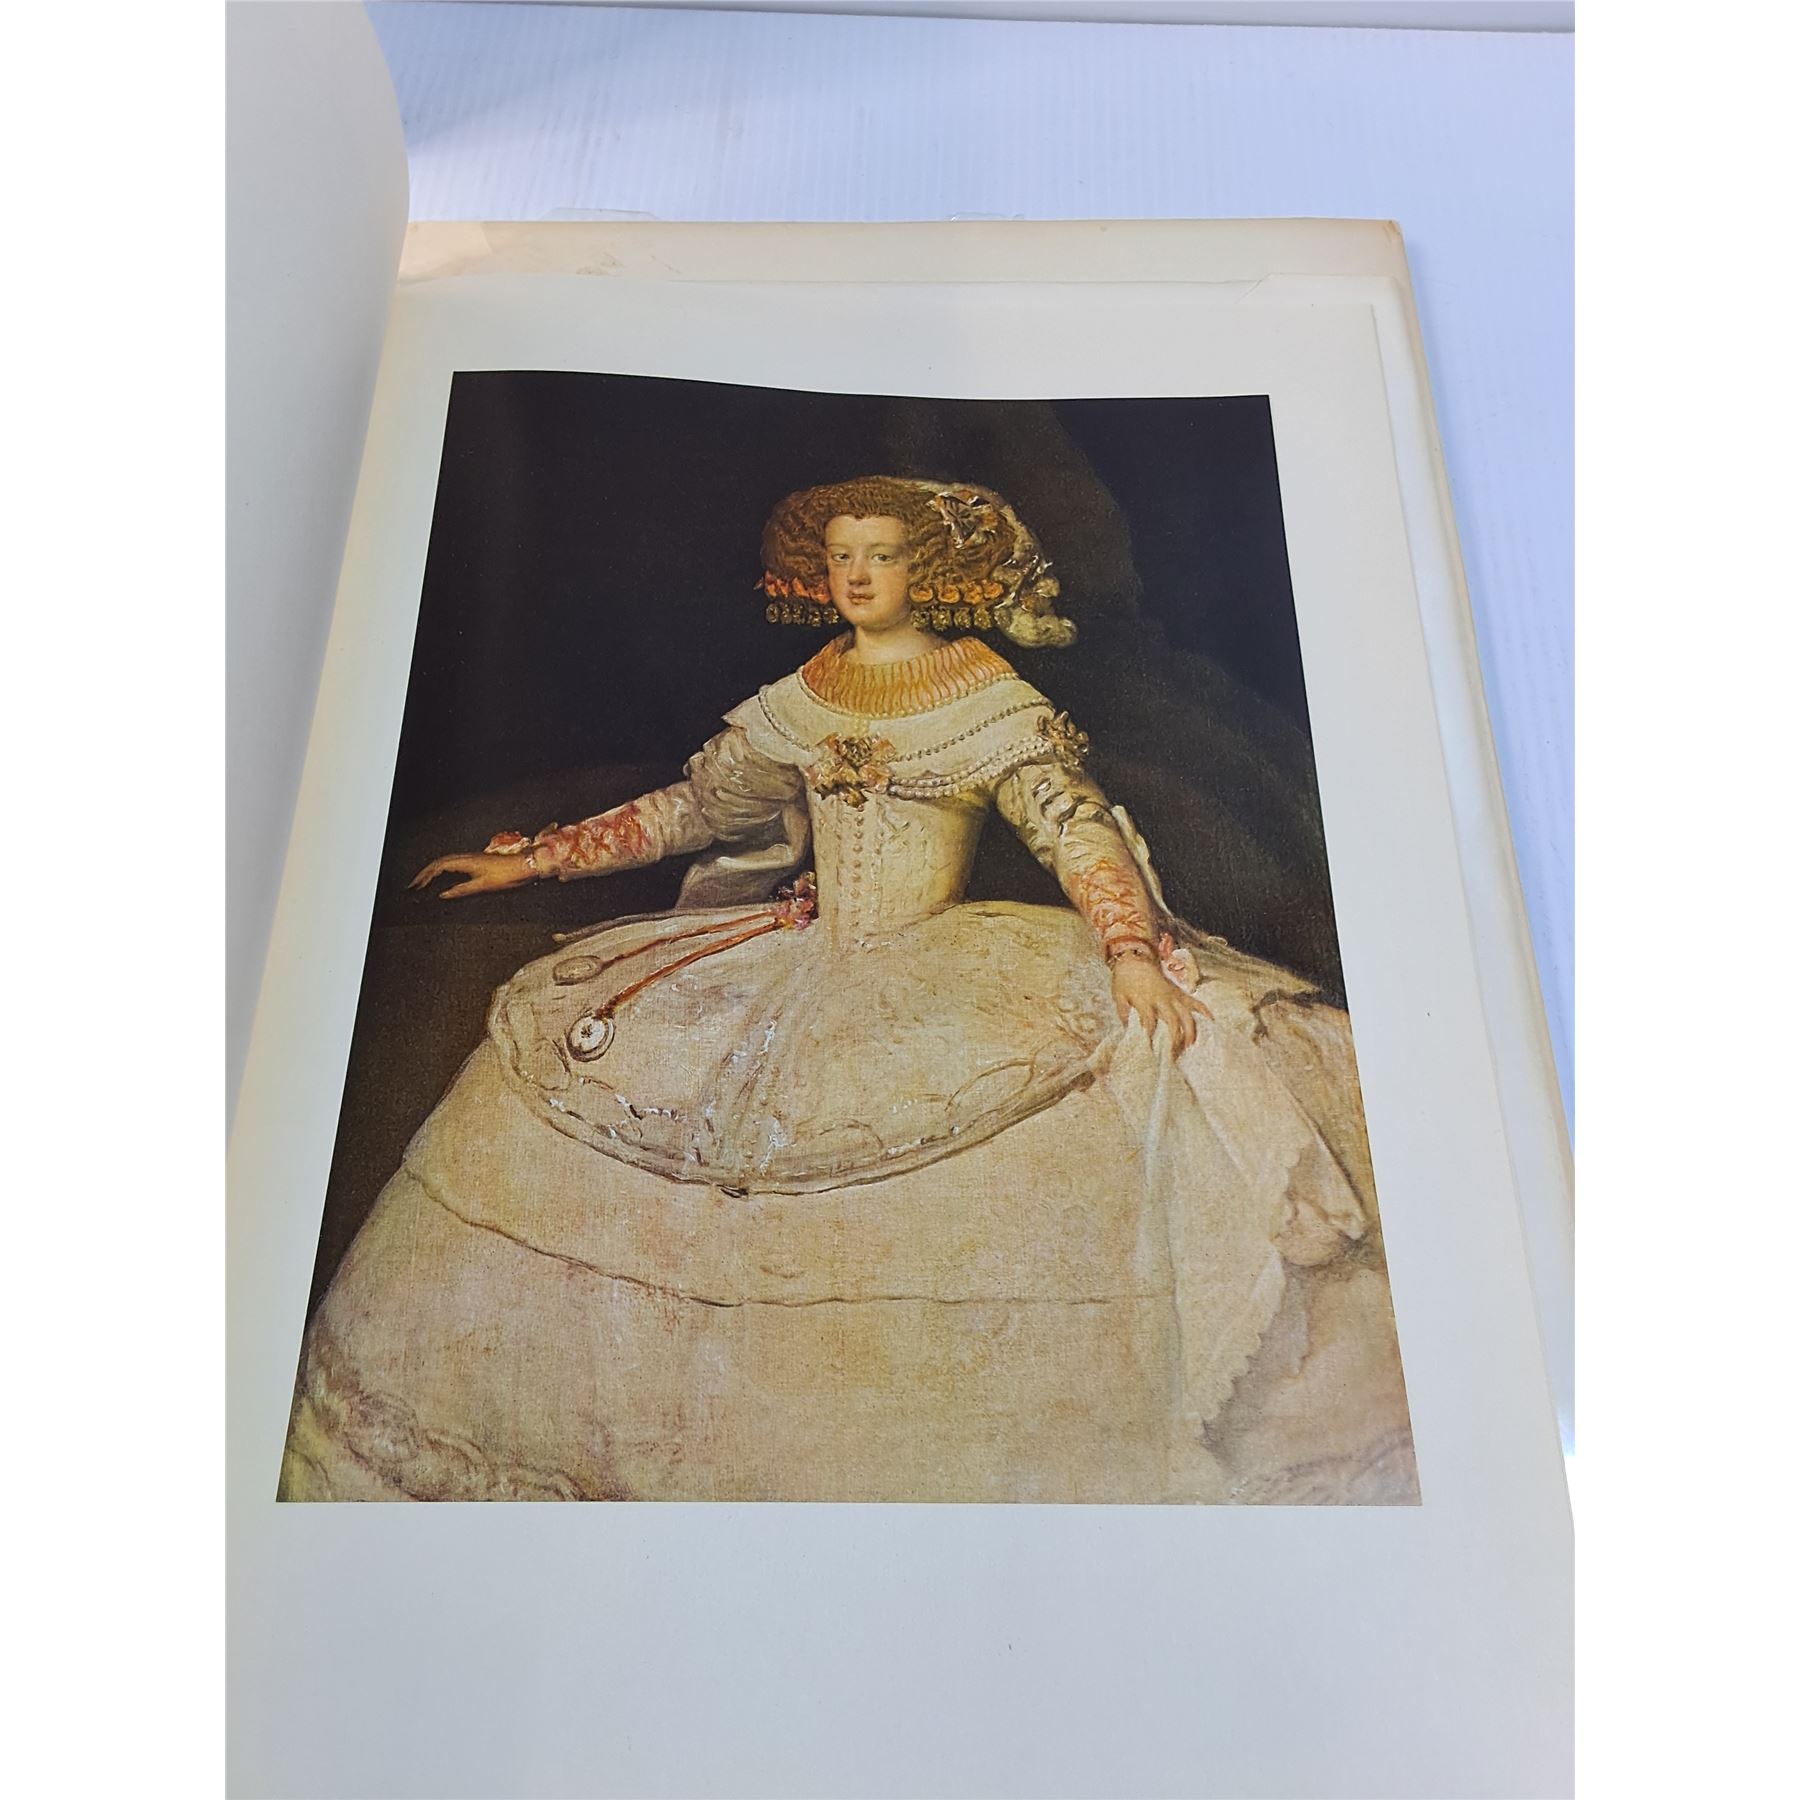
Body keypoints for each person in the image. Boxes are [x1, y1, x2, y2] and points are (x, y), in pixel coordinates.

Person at [281, 477, 1415, 1504]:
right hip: (795, 965)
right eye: (841, 557)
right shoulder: (802, 694)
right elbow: (695, 810)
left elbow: (1073, 829)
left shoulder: (988, 699)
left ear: (929, 570)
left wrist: (1125, 946)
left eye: (882, 555)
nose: (858, 575)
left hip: (945, 978)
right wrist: (534, 860)